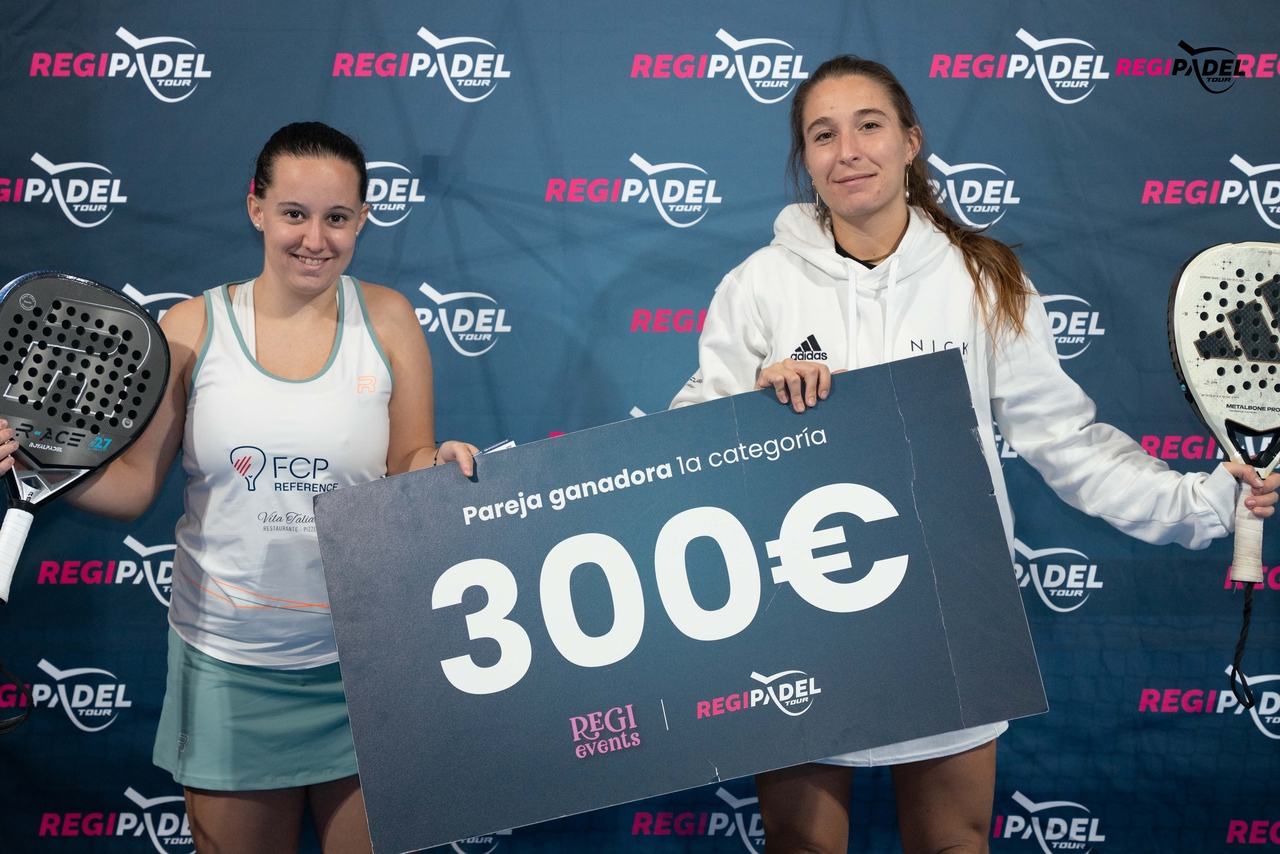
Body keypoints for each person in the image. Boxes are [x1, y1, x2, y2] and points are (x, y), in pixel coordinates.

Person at [669, 56, 1279, 854]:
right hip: (799, 617)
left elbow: (1067, 442)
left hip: (948, 610)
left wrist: (1199, 504)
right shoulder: (757, 284)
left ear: (910, 141)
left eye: (868, 125)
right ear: (806, 160)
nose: (847, 150)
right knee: (801, 847)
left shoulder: (983, 277)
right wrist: (756, 401)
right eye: (823, 134)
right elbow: (688, 443)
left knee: (953, 843)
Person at [18, 122, 476, 853]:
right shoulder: (190, 328)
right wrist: (38, 465)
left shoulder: (390, 319)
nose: (315, 240)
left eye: (337, 217)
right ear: (256, 207)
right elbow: (132, 489)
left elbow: (407, 466)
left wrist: (440, 466)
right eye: (294, 213)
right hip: (226, 668)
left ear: (363, 219)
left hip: (368, 663)